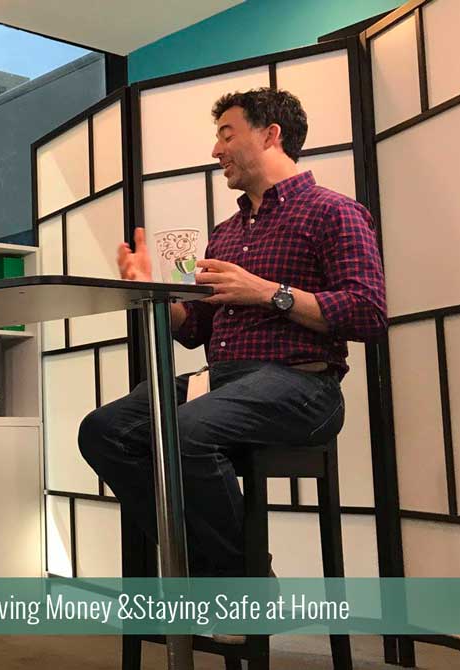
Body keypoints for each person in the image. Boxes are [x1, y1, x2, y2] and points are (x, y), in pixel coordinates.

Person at [77, 88, 386, 578]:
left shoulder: (333, 212)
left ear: (270, 134)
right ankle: (209, 568)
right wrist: (152, 294)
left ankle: (245, 588)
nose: (216, 151)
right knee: (104, 431)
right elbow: (195, 328)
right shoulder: (224, 232)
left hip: (304, 385)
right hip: (223, 380)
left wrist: (268, 292)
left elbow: (368, 312)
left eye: (226, 134)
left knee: (186, 429)